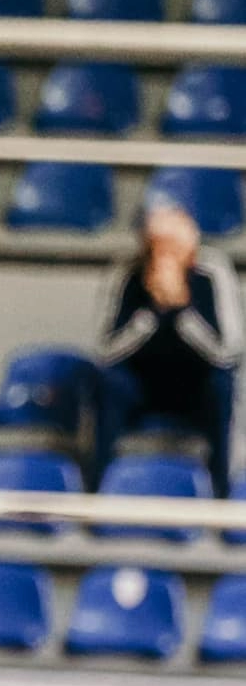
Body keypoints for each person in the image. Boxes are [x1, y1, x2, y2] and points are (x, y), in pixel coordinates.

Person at [96, 200, 243, 497]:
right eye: (158, 246)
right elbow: (105, 351)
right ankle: (95, 488)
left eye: (174, 246)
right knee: (108, 383)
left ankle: (221, 493)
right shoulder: (125, 272)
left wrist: (182, 311)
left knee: (223, 386)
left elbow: (229, 353)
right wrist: (151, 314)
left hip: (195, 386)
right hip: (142, 386)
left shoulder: (213, 272)